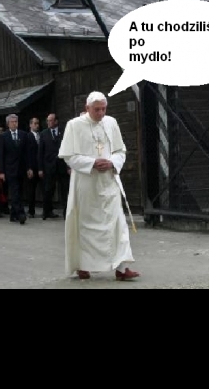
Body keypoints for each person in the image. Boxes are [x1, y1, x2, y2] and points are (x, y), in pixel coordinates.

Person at [58, 92, 140, 281]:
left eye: (103, 109)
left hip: (109, 181)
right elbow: (68, 156)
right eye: (97, 110)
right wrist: (92, 163)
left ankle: (122, 268)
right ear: (87, 108)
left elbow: (120, 151)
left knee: (118, 223)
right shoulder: (74, 125)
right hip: (86, 184)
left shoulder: (111, 122)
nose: (101, 113)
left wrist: (112, 162)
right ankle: (83, 265)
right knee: (86, 226)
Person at [0, 113, 29, 224]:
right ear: (8, 124)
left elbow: (26, 153)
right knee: (14, 192)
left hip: (21, 168)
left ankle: (13, 214)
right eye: (12, 122)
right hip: (9, 169)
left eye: (16, 121)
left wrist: (28, 168)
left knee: (20, 191)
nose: (14, 124)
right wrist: (1, 171)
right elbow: (1, 155)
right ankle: (21, 213)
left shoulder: (23, 135)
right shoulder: (3, 136)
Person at [38, 113, 69, 219]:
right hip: (49, 166)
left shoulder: (63, 132)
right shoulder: (44, 134)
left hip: (62, 166)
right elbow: (40, 152)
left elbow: (68, 149)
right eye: (48, 120)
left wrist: (69, 166)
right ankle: (47, 211)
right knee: (48, 190)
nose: (49, 122)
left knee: (65, 189)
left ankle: (66, 212)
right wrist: (40, 168)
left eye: (51, 120)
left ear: (56, 121)